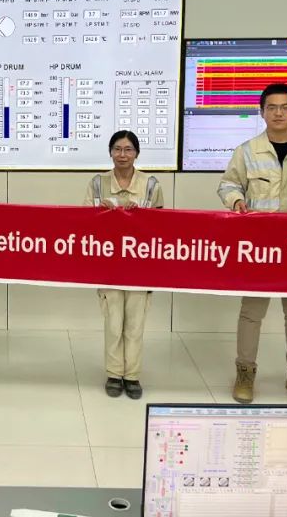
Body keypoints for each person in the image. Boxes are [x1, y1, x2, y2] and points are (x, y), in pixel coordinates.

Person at [217, 83, 287, 405]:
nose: (278, 113)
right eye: (271, 107)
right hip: (260, 246)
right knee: (251, 312)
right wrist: (236, 201)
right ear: (262, 111)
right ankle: (245, 373)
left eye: (285, 107)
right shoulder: (247, 150)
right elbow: (227, 184)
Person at [84, 130, 163, 400]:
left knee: (135, 324)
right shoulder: (97, 183)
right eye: (117, 149)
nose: (122, 155)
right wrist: (100, 213)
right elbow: (84, 222)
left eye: (128, 149)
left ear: (136, 153)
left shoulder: (151, 185)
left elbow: (162, 225)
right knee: (113, 322)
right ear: (110, 152)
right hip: (109, 264)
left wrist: (141, 217)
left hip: (140, 266)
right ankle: (114, 373)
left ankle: (132, 376)